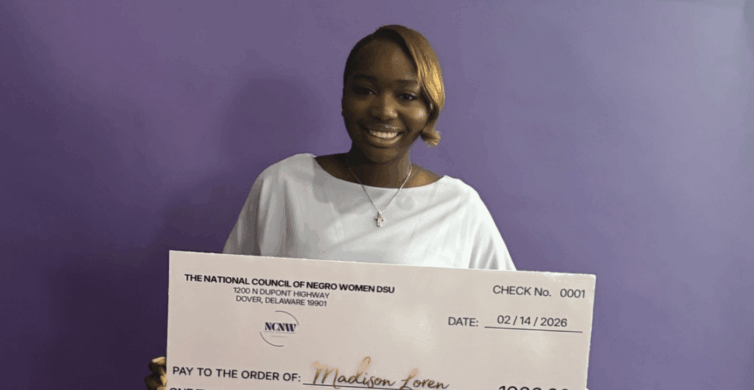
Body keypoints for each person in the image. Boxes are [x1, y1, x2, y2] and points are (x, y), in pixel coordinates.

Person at [145, 24, 516, 390]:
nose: (384, 110)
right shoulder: (285, 184)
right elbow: (227, 314)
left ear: (429, 108)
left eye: (407, 96)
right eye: (365, 90)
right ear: (343, 97)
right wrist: (187, 374)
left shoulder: (459, 207)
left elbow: (507, 337)